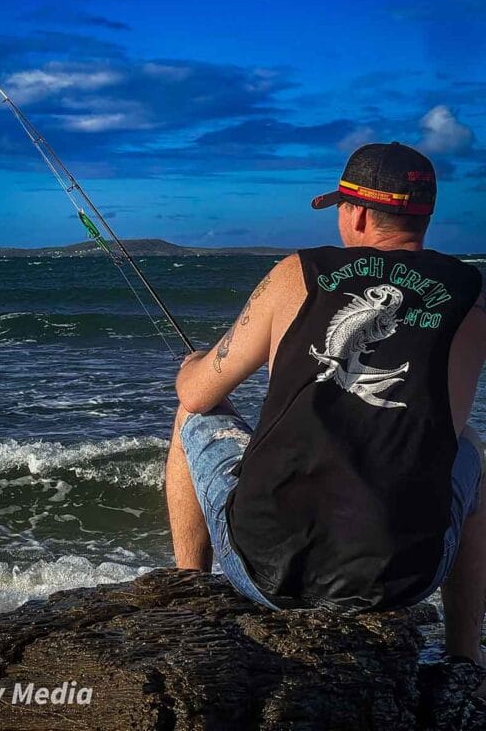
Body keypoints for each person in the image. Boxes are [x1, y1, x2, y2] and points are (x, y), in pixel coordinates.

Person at [165, 141, 486, 671]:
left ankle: (188, 590)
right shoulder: (472, 294)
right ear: (425, 212)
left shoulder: (296, 273)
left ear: (356, 212)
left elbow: (197, 394)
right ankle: (465, 659)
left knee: (191, 416)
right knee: (471, 447)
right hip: (404, 581)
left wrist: (192, 363)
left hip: (264, 572)